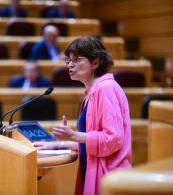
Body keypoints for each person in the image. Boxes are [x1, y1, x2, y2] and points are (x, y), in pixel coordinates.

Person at [33, 36, 132, 195]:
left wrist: (73, 135)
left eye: (77, 59)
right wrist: (60, 144)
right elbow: (90, 142)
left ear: (95, 62)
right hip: (95, 170)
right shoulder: (90, 93)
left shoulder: (106, 88)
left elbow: (113, 139)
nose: (70, 64)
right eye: (69, 60)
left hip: (108, 176)